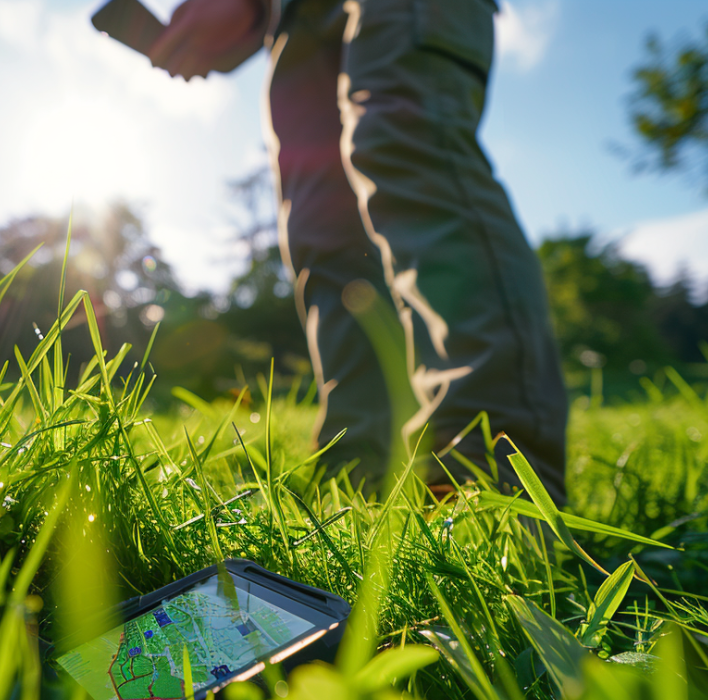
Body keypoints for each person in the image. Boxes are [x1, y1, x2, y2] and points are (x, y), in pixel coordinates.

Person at [148, 0, 569, 504]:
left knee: (406, 145)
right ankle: (356, 480)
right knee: (324, 230)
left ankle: (487, 475)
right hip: (294, 17)